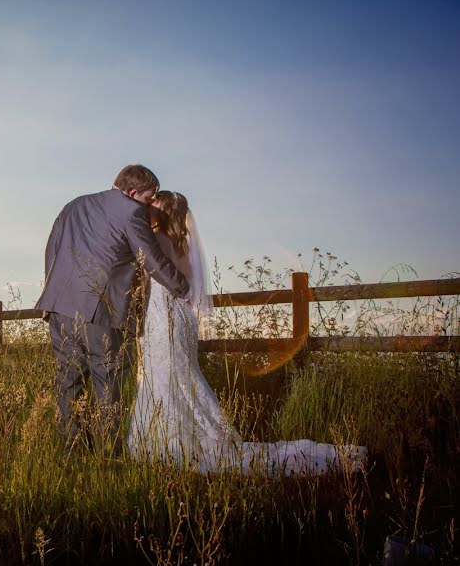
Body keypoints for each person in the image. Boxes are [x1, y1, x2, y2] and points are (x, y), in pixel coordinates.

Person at [128, 191, 367, 475]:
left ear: (165, 211)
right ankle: (177, 435)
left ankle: (164, 439)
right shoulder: (181, 245)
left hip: (162, 319)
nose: (147, 209)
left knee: (165, 376)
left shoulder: (156, 241)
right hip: (177, 320)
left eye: (153, 205)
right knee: (176, 376)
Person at [35, 165, 191, 455]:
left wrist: (54, 293)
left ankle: (73, 452)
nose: (149, 205)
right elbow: (151, 259)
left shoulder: (74, 204)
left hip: (59, 308)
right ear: (132, 193)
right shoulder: (132, 212)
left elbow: (51, 250)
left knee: (68, 383)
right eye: (148, 198)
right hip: (101, 311)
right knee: (108, 383)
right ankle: (110, 453)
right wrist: (183, 287)